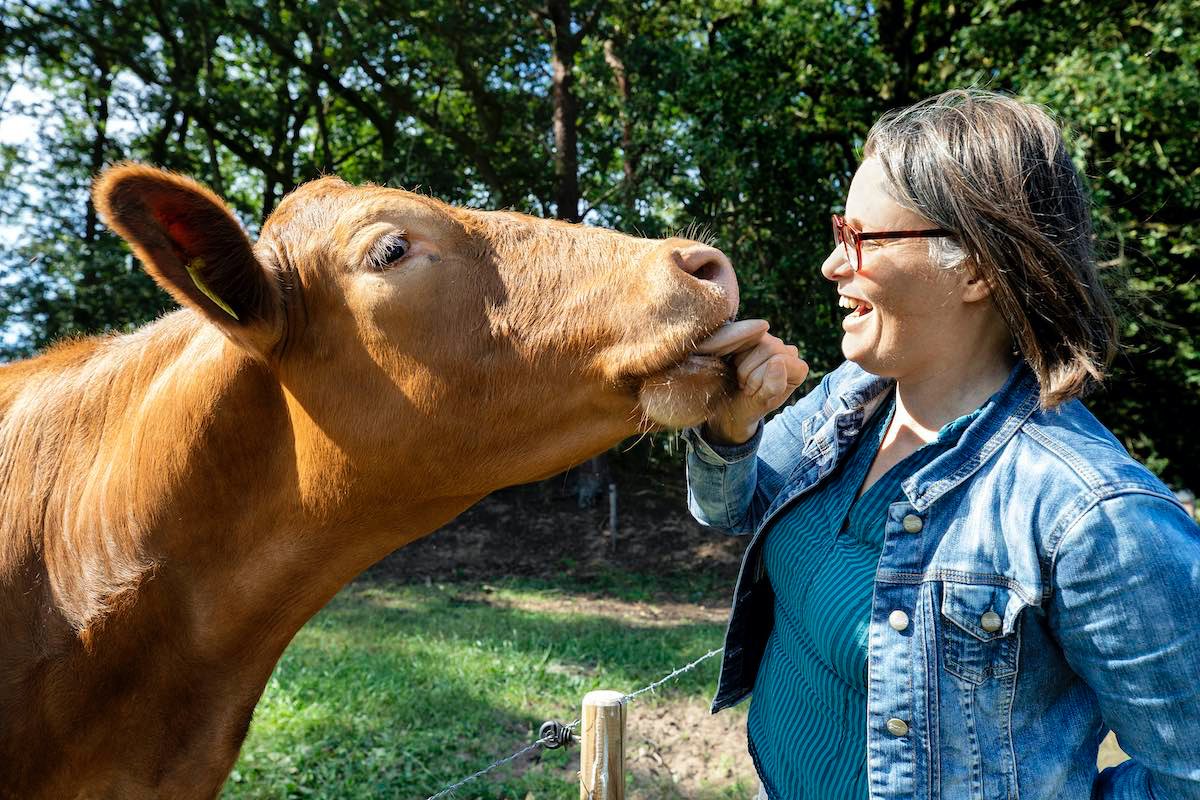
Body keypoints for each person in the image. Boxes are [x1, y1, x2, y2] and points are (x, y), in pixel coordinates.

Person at [683, 89, 1200, 799]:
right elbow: (726, 509)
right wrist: (732, 424)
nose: (834, 265)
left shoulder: (1094, 514)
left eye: (862, 238)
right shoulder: (851, 396)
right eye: (840, 231)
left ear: (979, 268)